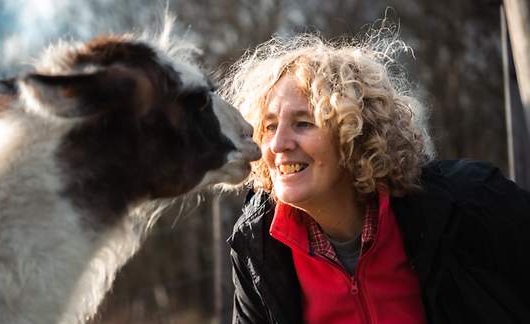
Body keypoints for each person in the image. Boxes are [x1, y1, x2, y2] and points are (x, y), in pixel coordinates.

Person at [221, 31, 530, 324]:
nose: (278, 144)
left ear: (354, 134)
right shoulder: (256, 244)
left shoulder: (470, 201)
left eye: (303, 123)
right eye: (270, 127)